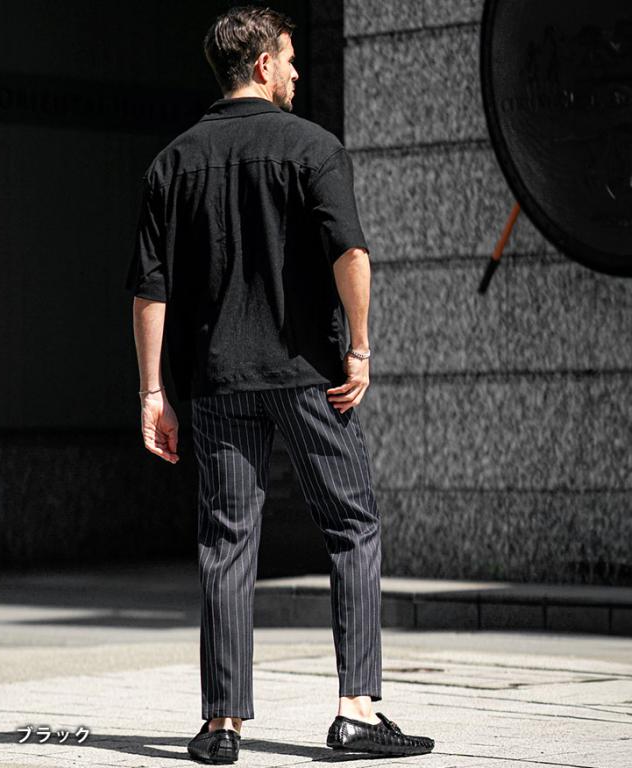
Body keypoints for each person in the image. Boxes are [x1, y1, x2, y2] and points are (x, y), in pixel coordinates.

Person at [125, 4, 435, 763]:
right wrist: (360, 349)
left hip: (218, 380)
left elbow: (149, 290)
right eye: (291, 60)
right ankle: (356, 710)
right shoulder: (313, 147)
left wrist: (153, 394)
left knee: (226, 541)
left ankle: (221, 724)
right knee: (352, 524)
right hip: (307, 376)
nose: (297, 73)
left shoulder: (172, 163)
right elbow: (350, 254)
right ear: (263, 64)